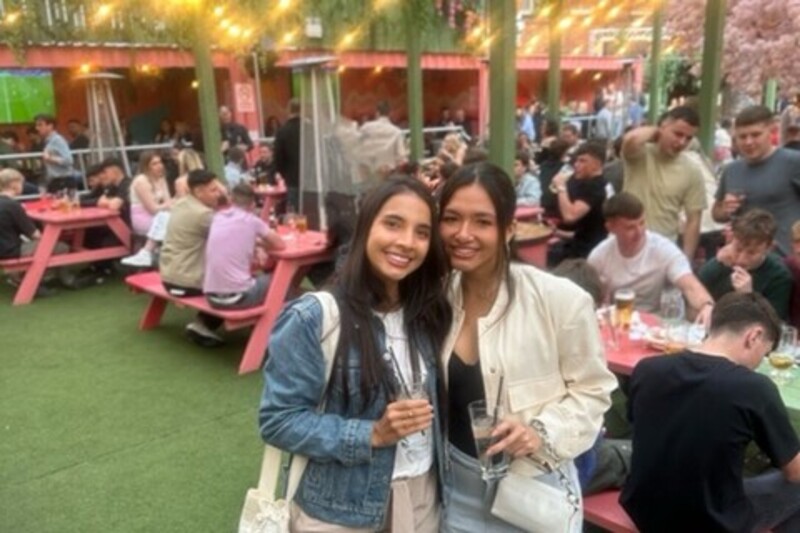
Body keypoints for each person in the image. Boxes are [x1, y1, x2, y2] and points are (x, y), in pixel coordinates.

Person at [259, 177, 451, 531]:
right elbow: (278, 421)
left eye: (422, 232)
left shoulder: (428, 312)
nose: (406, 242)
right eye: (393, 224)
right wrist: (371, 434)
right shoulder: (314, 316)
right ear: (366, 227)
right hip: (339, 509)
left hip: (422, 497)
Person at [437, 163, 616, 532]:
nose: (463, 233)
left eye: (482, 222)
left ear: (508, 229)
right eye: (451, 218)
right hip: (449, 489)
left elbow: (594, 391)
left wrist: (540, 430)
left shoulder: (559, 300)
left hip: (530, 490)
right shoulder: (434, 298)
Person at [621, 292, 800, 533]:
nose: (761, 362)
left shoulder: (647, 369)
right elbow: (795, 472)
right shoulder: (753, 387)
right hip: (710, 523)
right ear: (754, 336)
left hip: (642, 508)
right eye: (764, 353)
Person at [588, 192, 714, 323]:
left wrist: (706, 305)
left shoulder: (663, 249)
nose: (639, 232)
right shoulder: (599, 256)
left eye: (642, 223)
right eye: (630, 227)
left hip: (657, 325)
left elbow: (690, 285)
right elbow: (589, 297)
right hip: (619, 324)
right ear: (611, 228)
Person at [712, 105, 800, 257]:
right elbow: (716, 214)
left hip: (786, 261)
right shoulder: (731, 170)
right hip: (744, 261)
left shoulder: (793, 162)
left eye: (755, 135)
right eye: (742, 136)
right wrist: (725, 208)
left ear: (771, 132)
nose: (748, 142)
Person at [622, 106, 706, 260]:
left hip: (663, 247)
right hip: (626, 241)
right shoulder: (640, 155)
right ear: (664, 126)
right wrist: (656, 131)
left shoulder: (692, 170)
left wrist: (685, 260)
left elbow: (694, 219)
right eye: (678, 134)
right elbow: (630, 139)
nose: (682, 142)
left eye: (688, 138)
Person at [159, 169, 227, 346]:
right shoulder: (203, 215)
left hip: (169, 275)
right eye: (213, 190)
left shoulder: (181, 204)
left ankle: (203, 324)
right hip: (187, 280)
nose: (218, 193)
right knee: (238, 284)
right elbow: (236, 238)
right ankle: (204, 324)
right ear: (198, 191)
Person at [0, 168, 91, 293]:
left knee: (48, 246)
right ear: (14, 184)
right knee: (61, 247)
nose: (23, 187)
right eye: (21, 183)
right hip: (11, 251)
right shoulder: (13, 206)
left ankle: (55, 278)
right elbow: (34, 234)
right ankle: (61, 279)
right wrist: (50, 239)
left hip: (3, 248)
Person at [699, 209, 792, 321]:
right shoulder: (720, 263)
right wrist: (716, 264)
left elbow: (774, 325)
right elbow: (692, 300)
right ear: (731, 238)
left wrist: (748, 297)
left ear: (769, 248)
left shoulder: (779, 276)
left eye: (751, 253)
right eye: (738, 249)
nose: (741, 258)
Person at [203, 184, 285, 310]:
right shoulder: (252, 221)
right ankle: (284, 322)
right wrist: (262, 243)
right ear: (252, 204)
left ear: (231, 200)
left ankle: (205, 323)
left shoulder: (218, 217)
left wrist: (256, 243)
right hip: (238, 298)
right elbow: (280, 245)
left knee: (253, 279)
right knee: (280, 280)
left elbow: (232, 238)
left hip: (211, 297)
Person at [547, 141, 609, 265]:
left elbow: (570, 216)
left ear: (597, 164)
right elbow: (588, 231)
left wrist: (561, 187)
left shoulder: (594, 186)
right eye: (576, 161)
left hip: (587, 255)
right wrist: (556, 232)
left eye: (582, 161)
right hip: (583, 245)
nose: (576, 165)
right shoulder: (593, 183)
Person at [359, 100, 408, 180]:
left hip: (368, 176)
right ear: (390, 113)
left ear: (377, 113)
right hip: (387, 177)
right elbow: (402, 159)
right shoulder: (396, 132)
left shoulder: (365, 128)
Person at [129, 150, 172, 238]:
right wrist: (169, 204)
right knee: (175, 226)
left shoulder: (161, 179)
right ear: (146, 166)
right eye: (154, 164)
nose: (159, 166)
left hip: (159, 216)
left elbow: (168, 202)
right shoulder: (141, 181)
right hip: (143, 218)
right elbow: (153, 209)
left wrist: (171, 204)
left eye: (160, 162)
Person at [34, 114, 76, 192]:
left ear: (50, 126)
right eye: (36, 125)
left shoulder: (58, 140)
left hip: (63, 181)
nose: (37, 128)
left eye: (40, 125)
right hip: (54, 181)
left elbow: (69, 160)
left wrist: (49, 158)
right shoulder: (48, 141)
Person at [273, 99, 301, 209]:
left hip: (292, 179)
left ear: (288, 110)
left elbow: (278, 158)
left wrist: (283, 173)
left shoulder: (282, 131)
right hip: (311, 181)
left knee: (294, 214)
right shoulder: (311, 128)